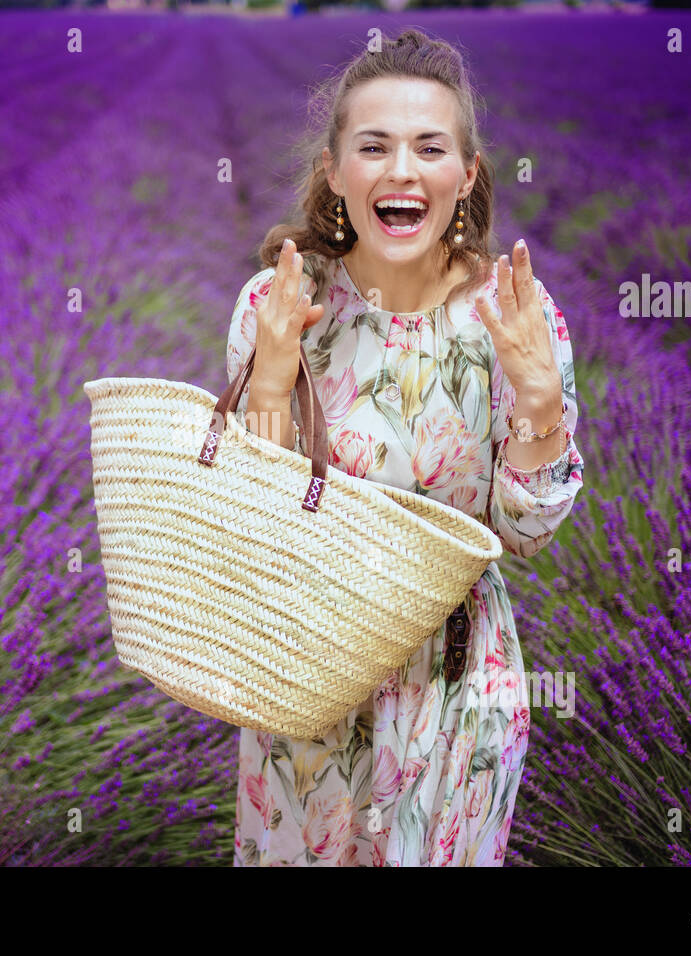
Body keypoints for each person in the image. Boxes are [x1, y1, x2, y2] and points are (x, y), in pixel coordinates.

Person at [226, 28, 584, 866]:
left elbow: (525, 535)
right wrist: (272, 381)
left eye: (430, 148)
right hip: (307, 678)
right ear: (333, 170)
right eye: (374, 147)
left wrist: (537, 399)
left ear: (466, 172)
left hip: (459, 690)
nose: (401, 170)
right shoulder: (278, 302)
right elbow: (256, 524)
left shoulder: (516, 314)